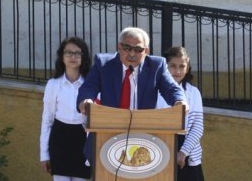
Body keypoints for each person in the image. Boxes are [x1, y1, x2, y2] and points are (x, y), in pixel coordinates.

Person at [76, 27, 188, 163]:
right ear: (119, 47)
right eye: (127, 48)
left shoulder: (156, 66)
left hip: (143, 139)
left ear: (146, 51)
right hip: (107, 135)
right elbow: (89, 86)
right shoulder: (104, 63)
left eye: (138, 49)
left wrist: (180, 101)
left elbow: (171, 88)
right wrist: (86, 100)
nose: (132, 53)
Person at [39, 36, 92, 181]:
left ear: (83, 58)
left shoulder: (89, 84)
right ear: (62, 57)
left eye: (77, 53)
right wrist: (44, 154)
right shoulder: (54, 85)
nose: (73, 57)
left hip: (82, 138)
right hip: (60, 138)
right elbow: (47, 121)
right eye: (68, 52)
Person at [157, 46, 207, 181]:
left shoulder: (192, 92)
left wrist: (183, 152)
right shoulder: (155, 90)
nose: (177, 71)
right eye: (172, 66)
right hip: (159, 146)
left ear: (187, 68)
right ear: (165, 67)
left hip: (185, 149)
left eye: (181, 66)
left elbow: (198, 126)